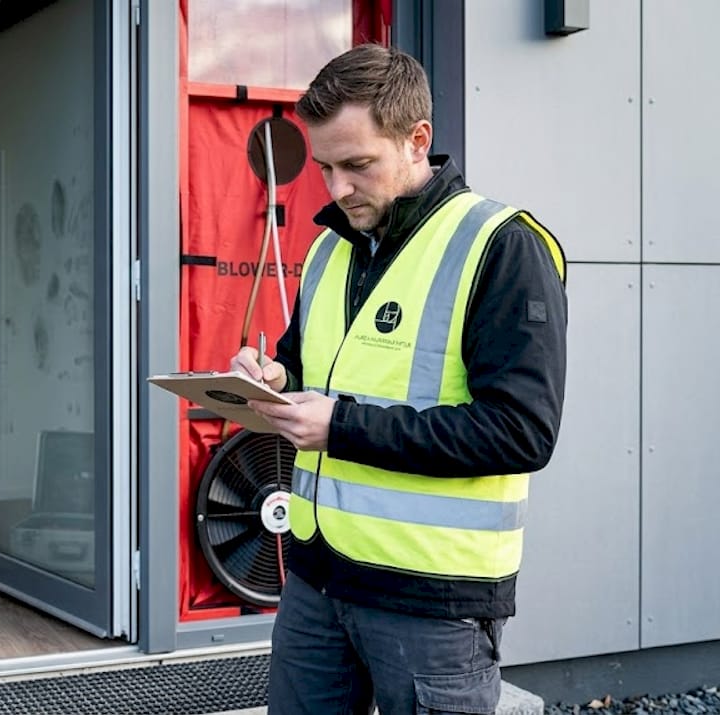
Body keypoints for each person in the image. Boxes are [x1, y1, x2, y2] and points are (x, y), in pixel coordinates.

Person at [230, 44, 567, 714]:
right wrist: (270, 375)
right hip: (315, 581)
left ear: (418, 140)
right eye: (325, 166)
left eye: (357, 165)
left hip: (431, 604)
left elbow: (522, 432)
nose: (336, 188)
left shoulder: (501, 246)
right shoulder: (329, 247)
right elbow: (307, 365)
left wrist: (339, 424)